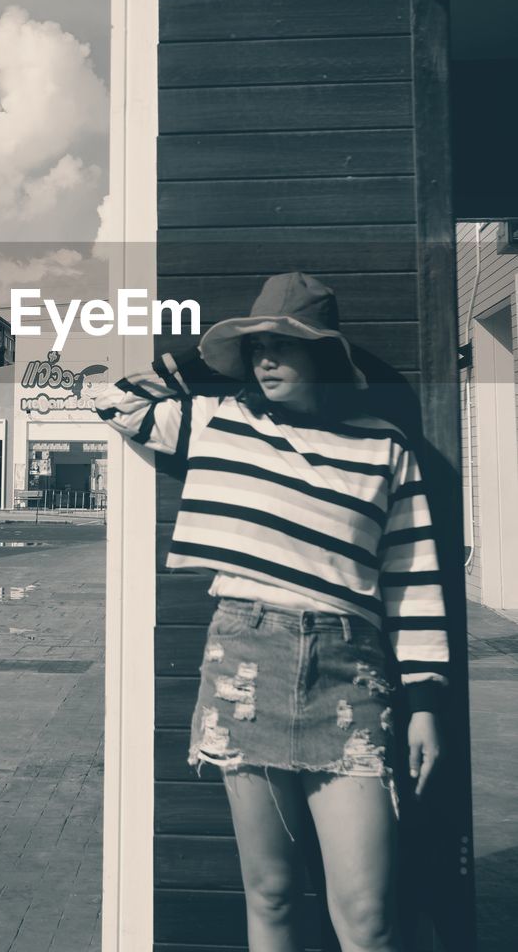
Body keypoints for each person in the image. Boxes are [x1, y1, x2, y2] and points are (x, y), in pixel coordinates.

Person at [94, 272, 448, 952]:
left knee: (369, 916)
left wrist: (425, 702)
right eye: (253, 345)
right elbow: (111, 400)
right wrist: (207, 358)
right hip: (244, 661)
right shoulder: (220, 421)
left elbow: (411, 577)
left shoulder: (382, 447)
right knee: (272, 893)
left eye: (284, 345)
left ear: (325, 356)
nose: (264, 358)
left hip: (350, 675)